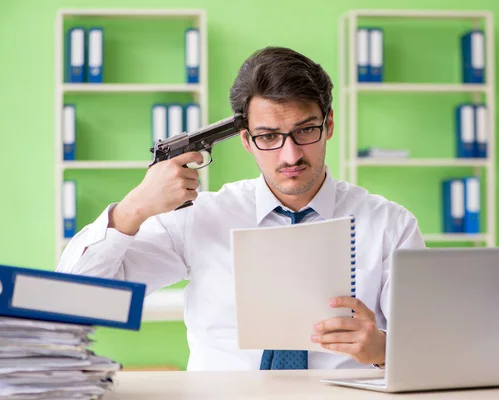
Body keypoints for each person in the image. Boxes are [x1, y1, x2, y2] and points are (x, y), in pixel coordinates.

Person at [56, 46, 426, 371]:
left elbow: (435, 354)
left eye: (305, 130)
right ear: (247, 141)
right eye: (268, 137)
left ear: (328, 125)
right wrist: (133, 209)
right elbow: (76, 300)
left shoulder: (390, 226)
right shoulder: (199, 217)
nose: (291, 154)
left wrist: (384, 349)